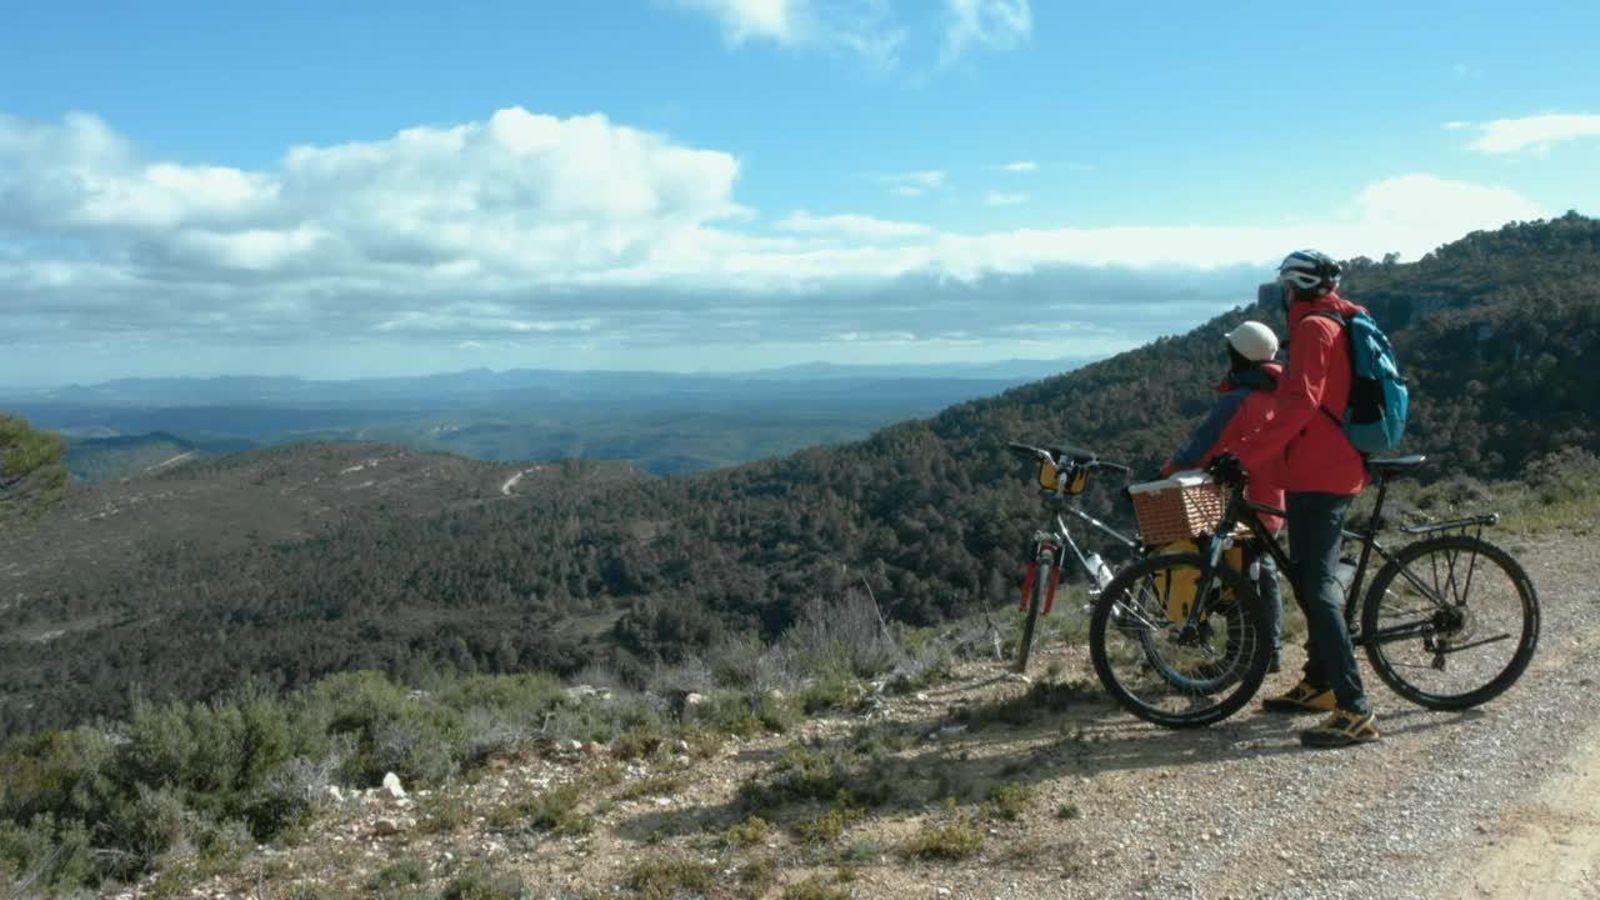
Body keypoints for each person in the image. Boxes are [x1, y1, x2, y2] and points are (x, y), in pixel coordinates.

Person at [1215, 249, 1379, 749]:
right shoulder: (1333, 320)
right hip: (1324, 466)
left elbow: (1300, 403)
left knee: (1317, 584)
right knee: (1307, 579)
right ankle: (1320, 683)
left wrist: (1243, 456)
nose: (1284, 295)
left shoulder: (1312, 329)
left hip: (1321, 473)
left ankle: (1355, 709)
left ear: (1293, 288)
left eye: (1284, 287)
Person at [1161, 321, 1287, 672]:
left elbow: (1199, 451)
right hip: (1274, 500)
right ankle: (1270, 651)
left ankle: (1240, 656)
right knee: (1263, 574)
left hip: (1240, 506)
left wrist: (1166, 474)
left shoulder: (1237, 401)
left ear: (1238, 357)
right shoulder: (1282, 395)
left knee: (1237, 578)